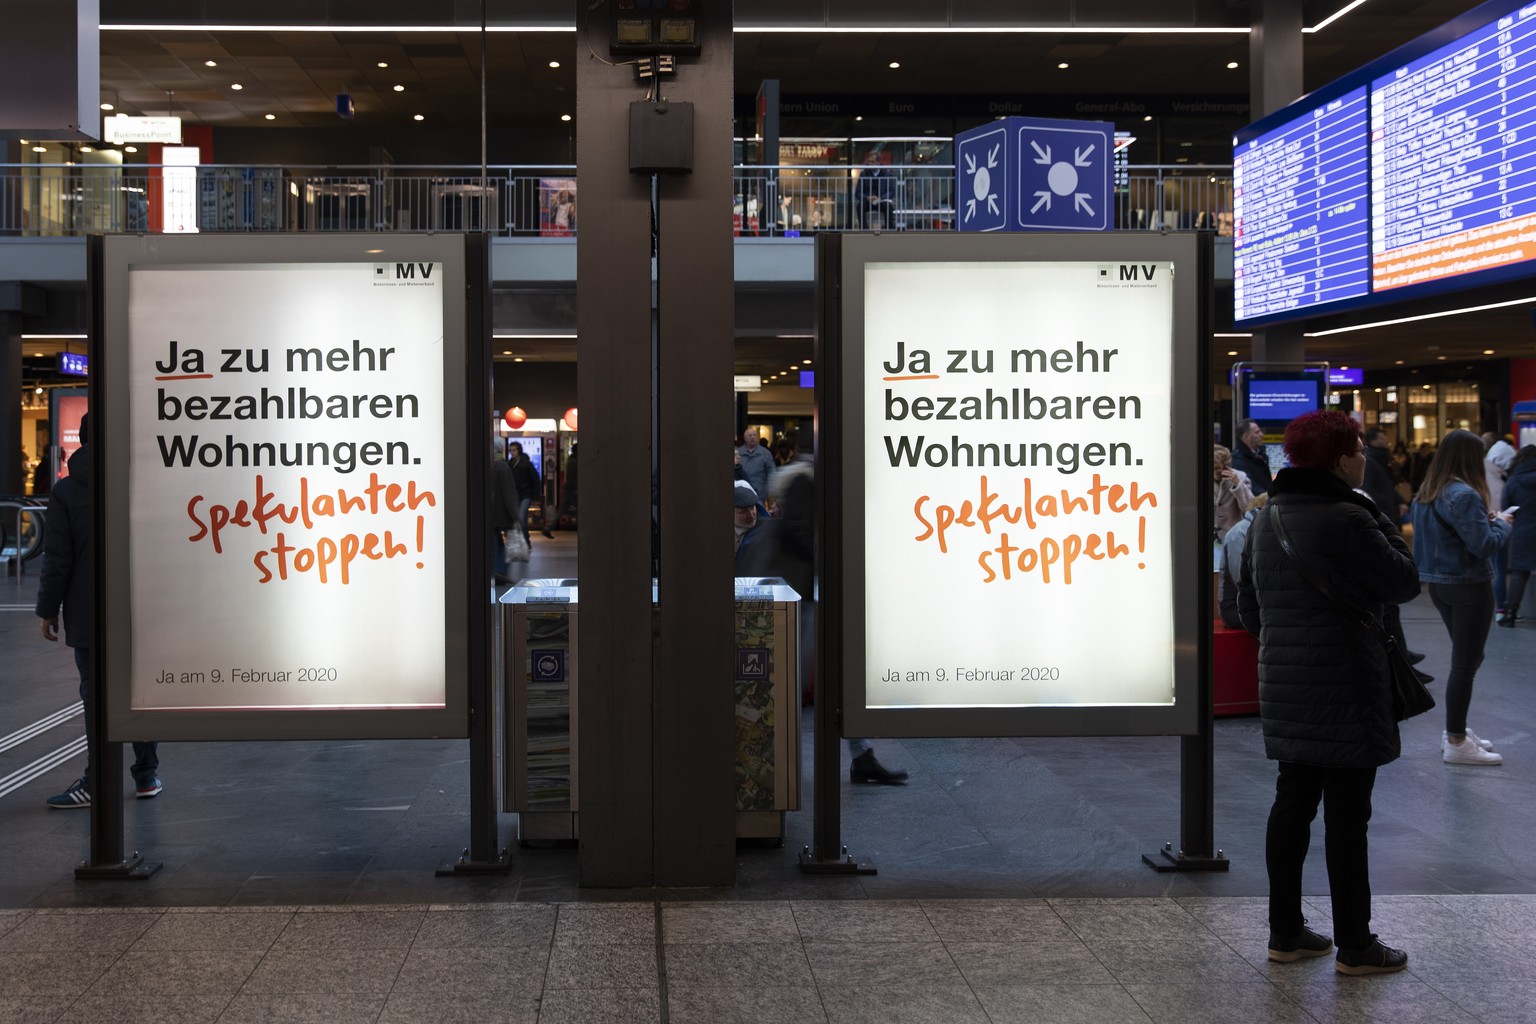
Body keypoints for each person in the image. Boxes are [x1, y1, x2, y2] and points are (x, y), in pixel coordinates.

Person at [1238, 410, 1420, 976]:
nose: (1365, 454)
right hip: (1346, 685)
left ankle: (1285, 932)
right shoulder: (1350, 514)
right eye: (1360, 446)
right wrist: (1374, 510)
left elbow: (1246, 608)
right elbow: (1404, 581)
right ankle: (1357, 945)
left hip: (1287, 685)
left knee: (1292, 804)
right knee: (1347, 815)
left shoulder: (1266, 520)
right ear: (1342, 459)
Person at [736, 441, 908, 785]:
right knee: (795, 680)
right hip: (797, 594)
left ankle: (861, 755)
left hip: (807, 592)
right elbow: (797, 533)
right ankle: (772, 764)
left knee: (832, 675)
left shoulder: (815, 481)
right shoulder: (807, 482)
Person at [36, 414, 162, 808]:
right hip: (138, 606)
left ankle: (95, 780)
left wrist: (47, 609)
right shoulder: (142, 481)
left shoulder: (67, 491)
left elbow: (58, 558)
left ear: (83, 441)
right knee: (136, 691)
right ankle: (146, 775)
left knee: (95, 694)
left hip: (87, 609)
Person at [1412, 429, 1512, 766]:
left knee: (1466, 661)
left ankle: (1456, 731)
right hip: (1469, 585)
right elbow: (1484, 545)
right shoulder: (1464, 494)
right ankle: (1456, 738)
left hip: (1439, 585)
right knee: (1465, 665)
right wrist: (1502, 525)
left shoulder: (1427, 493)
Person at [1499, 444, 1536, 625]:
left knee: (1519, 575)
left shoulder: (1513, 481)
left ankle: (1509, 614)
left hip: (1522, 532)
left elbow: (1507, 508)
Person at [1218, 492, 1267, 629]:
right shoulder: (1238, 534)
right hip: (1236, 607)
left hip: (1253, 602)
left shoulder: (1256, 530)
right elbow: (1239, 578)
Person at [1483, 434, 1516, 613]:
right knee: (1500, 567)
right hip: (1498, 523)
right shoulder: (1500, 479)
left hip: (1488, 522)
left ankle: (1499, 609)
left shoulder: (1482, 470)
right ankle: (1501, 608)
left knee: (1495, 568)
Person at [489, 437, 518, 584]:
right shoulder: (502, 466)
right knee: (500, 543)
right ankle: (499, 569)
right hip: (501, 513)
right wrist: (515, 513)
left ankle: (497, 569)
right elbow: (509, 492)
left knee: (496, 541)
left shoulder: (487, 465)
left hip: (489, 512)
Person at [1213, 444, 1254, 541]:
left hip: (1233, 537)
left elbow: (1249, 509)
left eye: (1218, 469)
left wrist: (1238, 485)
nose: (1215, 473)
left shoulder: (1240, 477)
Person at [508, 441, 539, 546]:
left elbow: (535, 479)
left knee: (521, 517)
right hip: (515, 495)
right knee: (520, 518)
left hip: (526, 494)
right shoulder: (510, 464)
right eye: (510, 450)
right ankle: (525, 541)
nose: (512, 453)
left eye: (514, 450)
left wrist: (535, 495)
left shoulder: (526, 464)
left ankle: (525, 541)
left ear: (519, 451)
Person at [1231, 419, 1273, 496]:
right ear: (1246, 437)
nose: (1262, 435)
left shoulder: (1260, 453)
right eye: (1257, 432)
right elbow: (1250, 487)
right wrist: (1270, 498)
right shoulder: (1238, 460)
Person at [735, 428, 774, 507]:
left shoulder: (765, 453)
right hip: (741, 492)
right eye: (750, 436)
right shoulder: (738, 453)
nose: (752, 437)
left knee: (758, 517)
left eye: (754, 435)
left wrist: (770, 490)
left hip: (759, 493)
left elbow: (771, 472)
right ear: (745, 439)